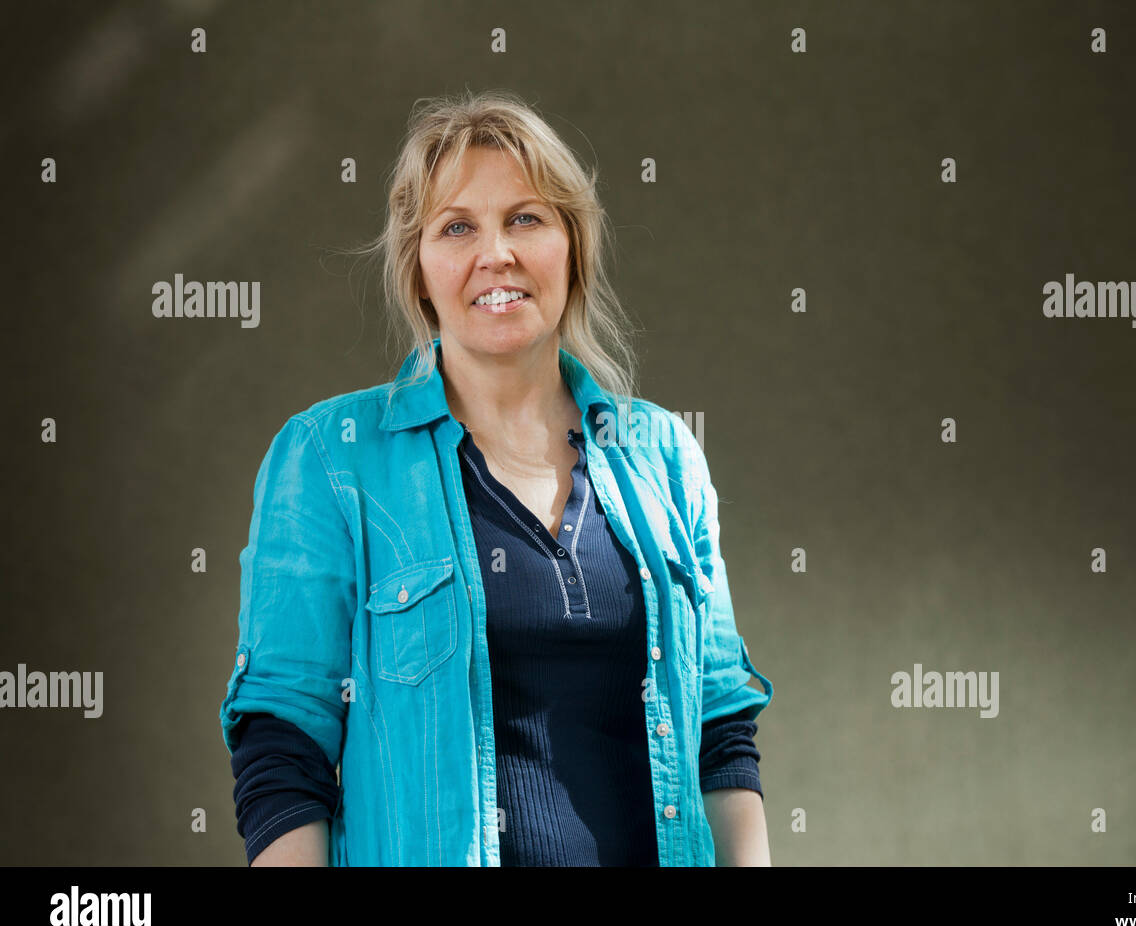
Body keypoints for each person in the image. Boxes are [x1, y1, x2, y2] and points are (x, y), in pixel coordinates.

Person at [218, 90, 774, 866]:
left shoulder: (664, 454)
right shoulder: (330, 458)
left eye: (526, 218)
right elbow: (284, 742)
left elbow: (722, 727)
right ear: (417, 269)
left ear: (571, 245)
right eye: (457, 227)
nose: (497, 254)